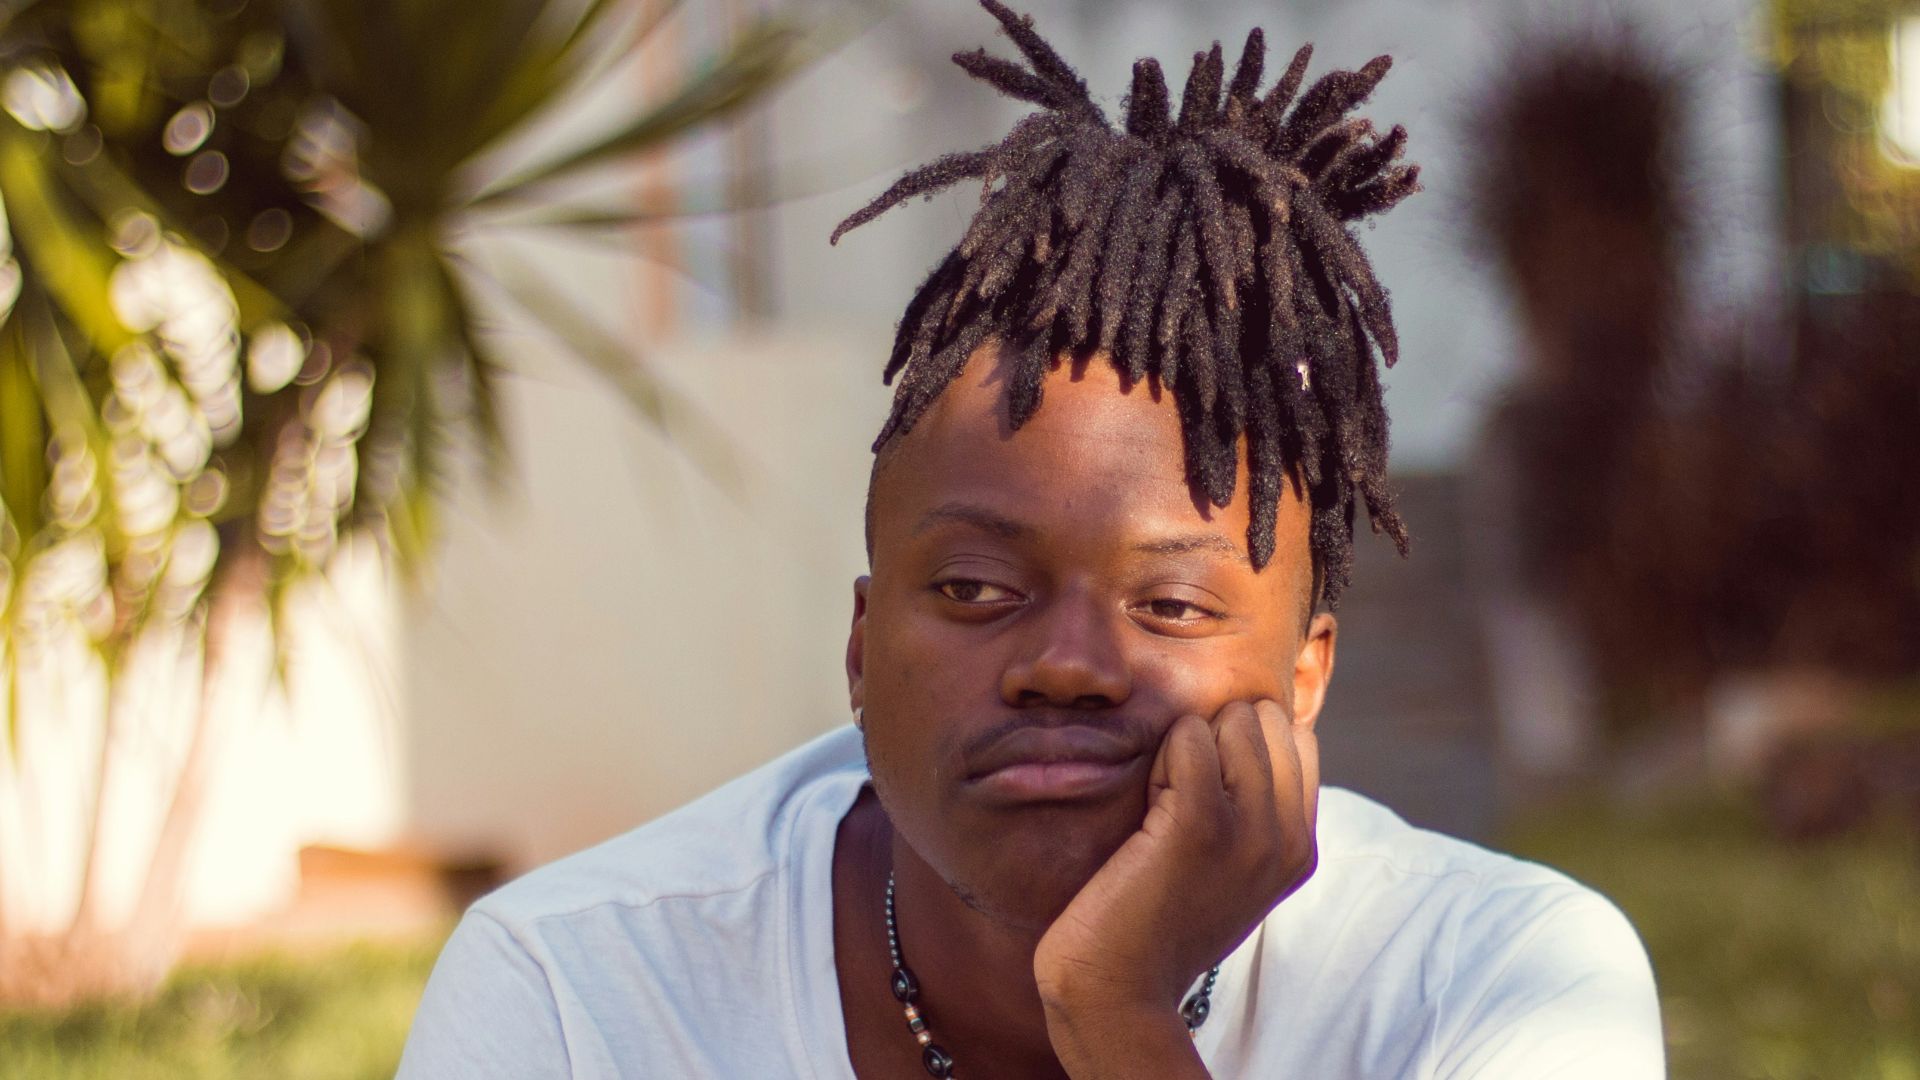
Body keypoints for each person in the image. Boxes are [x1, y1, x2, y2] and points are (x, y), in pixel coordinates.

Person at [396, 3, 1664, 1077]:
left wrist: (1116, 1015)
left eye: (1170, 606)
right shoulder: (574, 1002)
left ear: (1307, 675)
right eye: (972, 586)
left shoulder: (1503, 988)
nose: (1064, 664)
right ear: (857, 645)